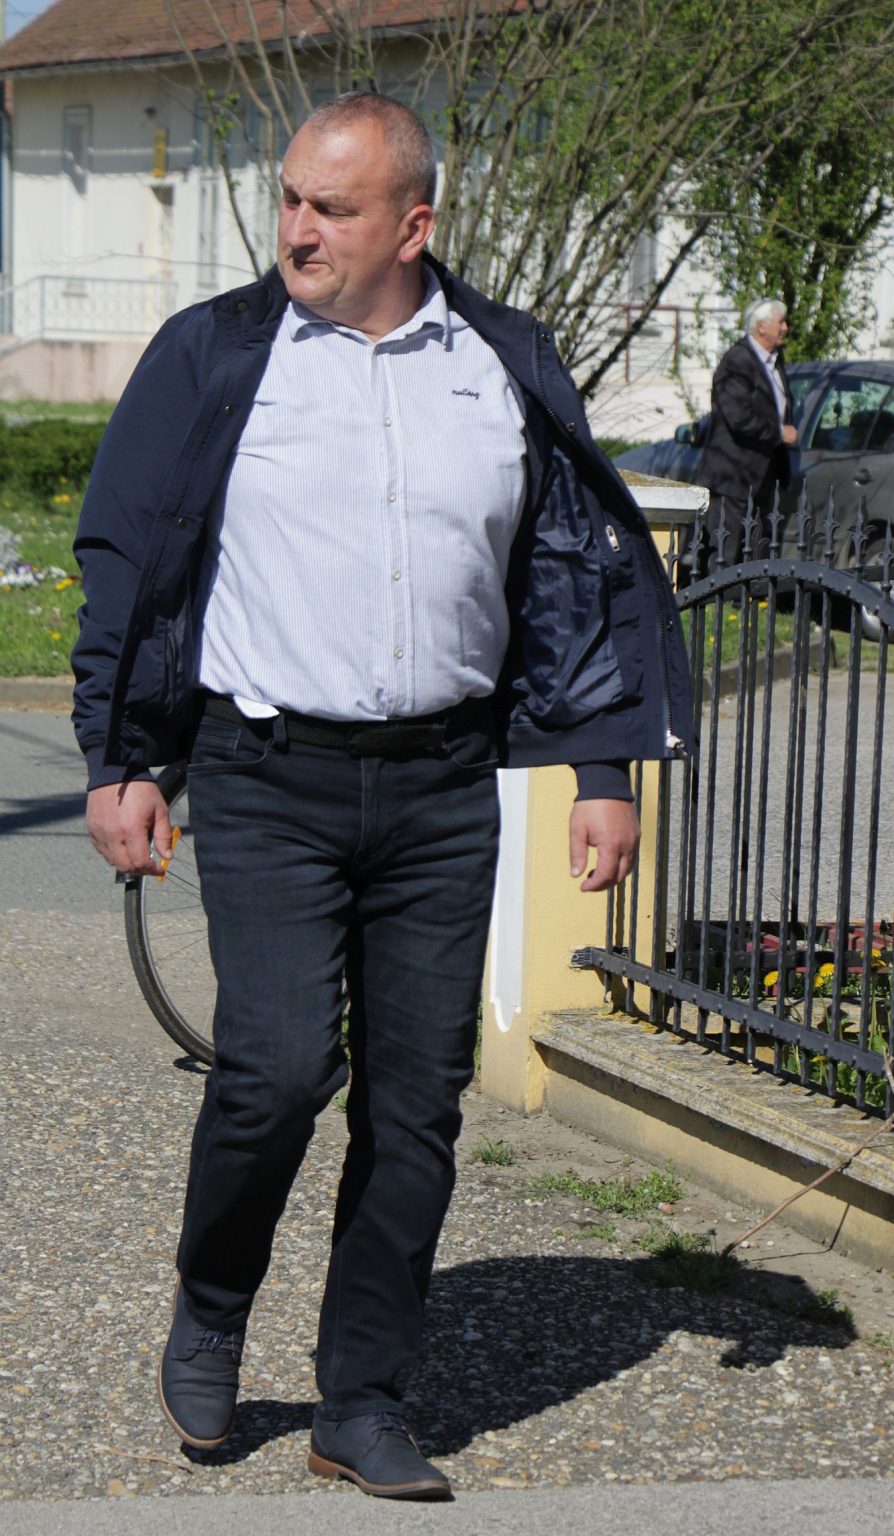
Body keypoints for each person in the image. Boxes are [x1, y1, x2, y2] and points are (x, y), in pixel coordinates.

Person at [72, 93, 691, 1501]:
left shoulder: (501, 360)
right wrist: (122, 759)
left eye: (331, 208)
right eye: (289, 199)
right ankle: (213, 1302)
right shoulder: (215, 354)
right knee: (279, 1068)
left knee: (416, 1102)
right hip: (265, 774)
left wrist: (600, 768)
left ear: (413, 226)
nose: (296, 228)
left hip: (440, 787)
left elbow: (568, 567)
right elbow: (126, 561)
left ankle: (362, 1400)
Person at [701, 298, 798, 568]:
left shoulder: (775, 360)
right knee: (725, 549)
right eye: (780, 322)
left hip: (765, 473)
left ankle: (750, 593)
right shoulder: (737, 361)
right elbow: (738, 417)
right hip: (734, 473)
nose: (785, 328)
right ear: (761, 326)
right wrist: (779, 433)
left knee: (756, 549)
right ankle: (718, 593)